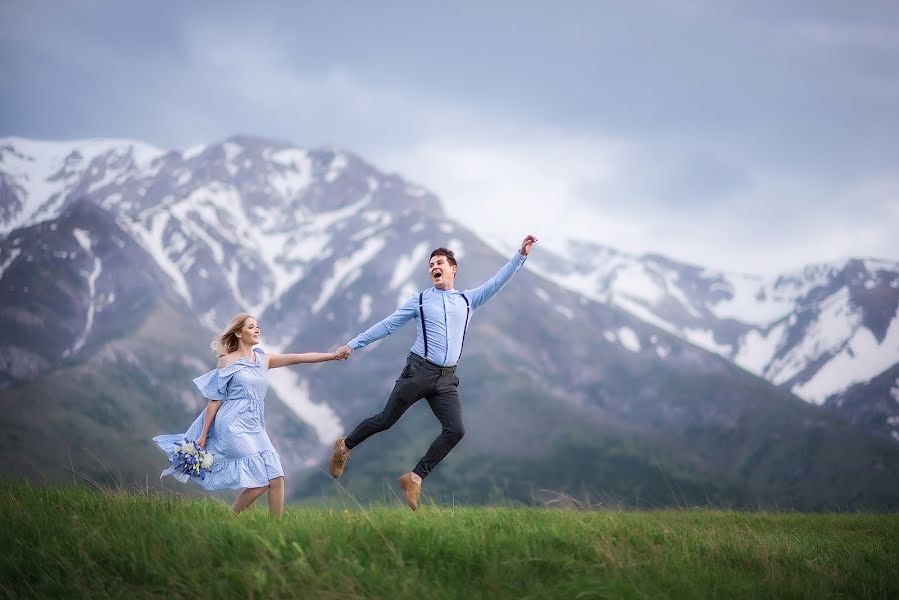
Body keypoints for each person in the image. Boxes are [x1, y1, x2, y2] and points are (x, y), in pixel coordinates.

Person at [330, 234, 538, 511]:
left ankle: (414, 478)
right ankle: (345, 446)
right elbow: (387, 325)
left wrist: (520, 255)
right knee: (385, 420)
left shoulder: (467, 300)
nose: (434, 267)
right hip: (418, 371)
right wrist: (352, 345)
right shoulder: (419, 301)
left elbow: (497, 281)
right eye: (430, 265)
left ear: (453, 269)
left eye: (439, 262)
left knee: (456, 430)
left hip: (446, 379)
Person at [153, 313, 343, 518]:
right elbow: (215, 400)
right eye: (251, 327)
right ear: (238, 333)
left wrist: (332, 355)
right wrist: (203, 434)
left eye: (257, 326)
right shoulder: (226, 362)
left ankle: (275, 529)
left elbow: (299, 358)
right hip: (232, 424)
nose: (257, 330)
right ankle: (228, 520)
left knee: (276, 477)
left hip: (255, 424)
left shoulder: (264, 358)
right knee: (260, 481)